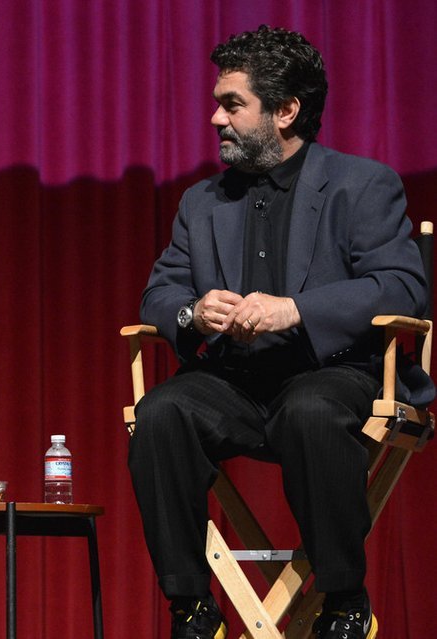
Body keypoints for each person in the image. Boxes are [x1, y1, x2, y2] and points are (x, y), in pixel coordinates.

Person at [129, 26, 431, 639]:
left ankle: (344, 602)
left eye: (232, 103)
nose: (215, 117)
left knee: (312, 410)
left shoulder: (362, 184)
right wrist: (194, 312)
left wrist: (296, 309)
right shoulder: (201, 202)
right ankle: (190, 608)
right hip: (234, 382)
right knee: (161, 413)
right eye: (217, 102)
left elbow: (402, 286)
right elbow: (159, 294)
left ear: (286, 110)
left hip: (336, 374)